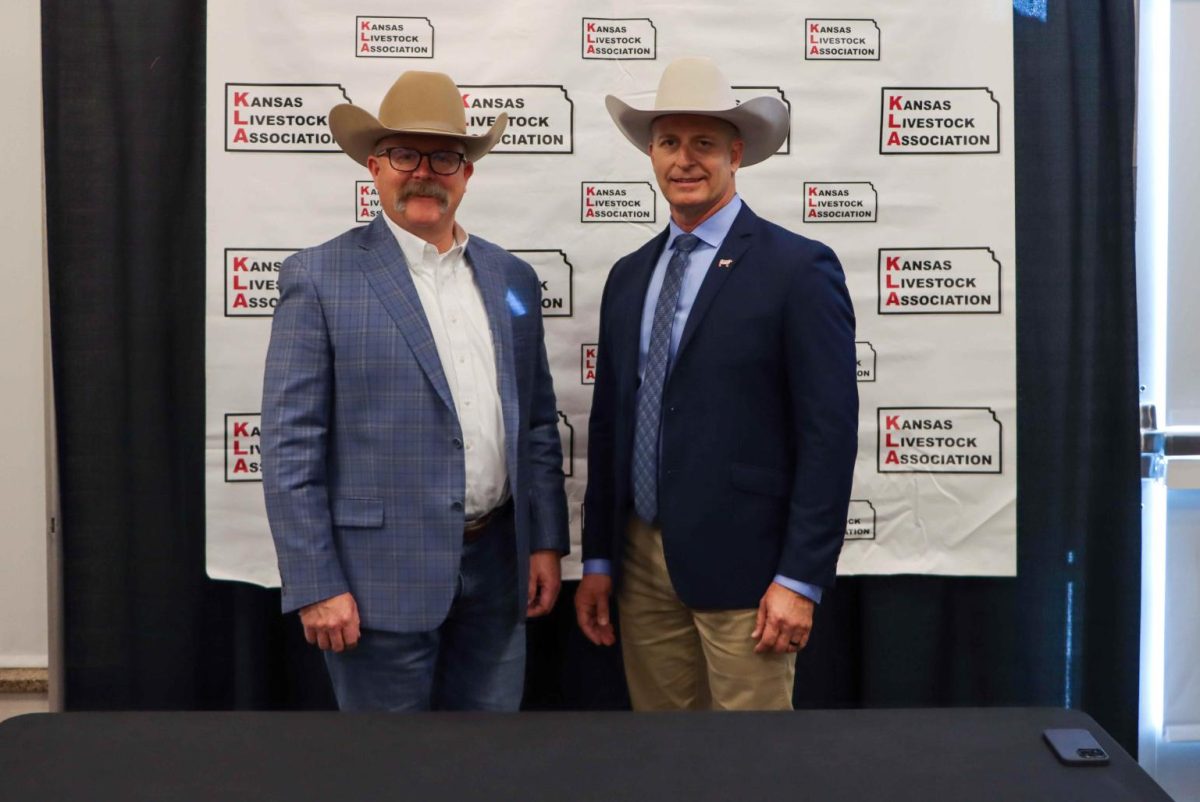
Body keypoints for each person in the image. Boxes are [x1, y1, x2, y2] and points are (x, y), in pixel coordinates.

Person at [262, 70, 569, 712]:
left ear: (467, 173)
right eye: (405, 154)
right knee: (387, 773)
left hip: (498, 571)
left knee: (486, 769)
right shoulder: (317, 279)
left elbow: (537, 421)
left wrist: (543, 541)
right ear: (374, 166)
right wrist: (316, 582)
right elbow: (290, 449)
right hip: (375, 584)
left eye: (445, 156)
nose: (424, 171)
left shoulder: (511, 277)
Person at [576, 57, 858, 710]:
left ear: (736, 153)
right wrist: (598, 561)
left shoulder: (798, 269)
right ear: (651, 153)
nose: (685, 159)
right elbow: (611, 426)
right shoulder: (629, 276)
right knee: (666, 758)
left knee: (752, 767)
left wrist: (800, 579)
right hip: (641, 565)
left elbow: (829, 436)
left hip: (751, 571)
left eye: (704, 143)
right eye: (670, 142)